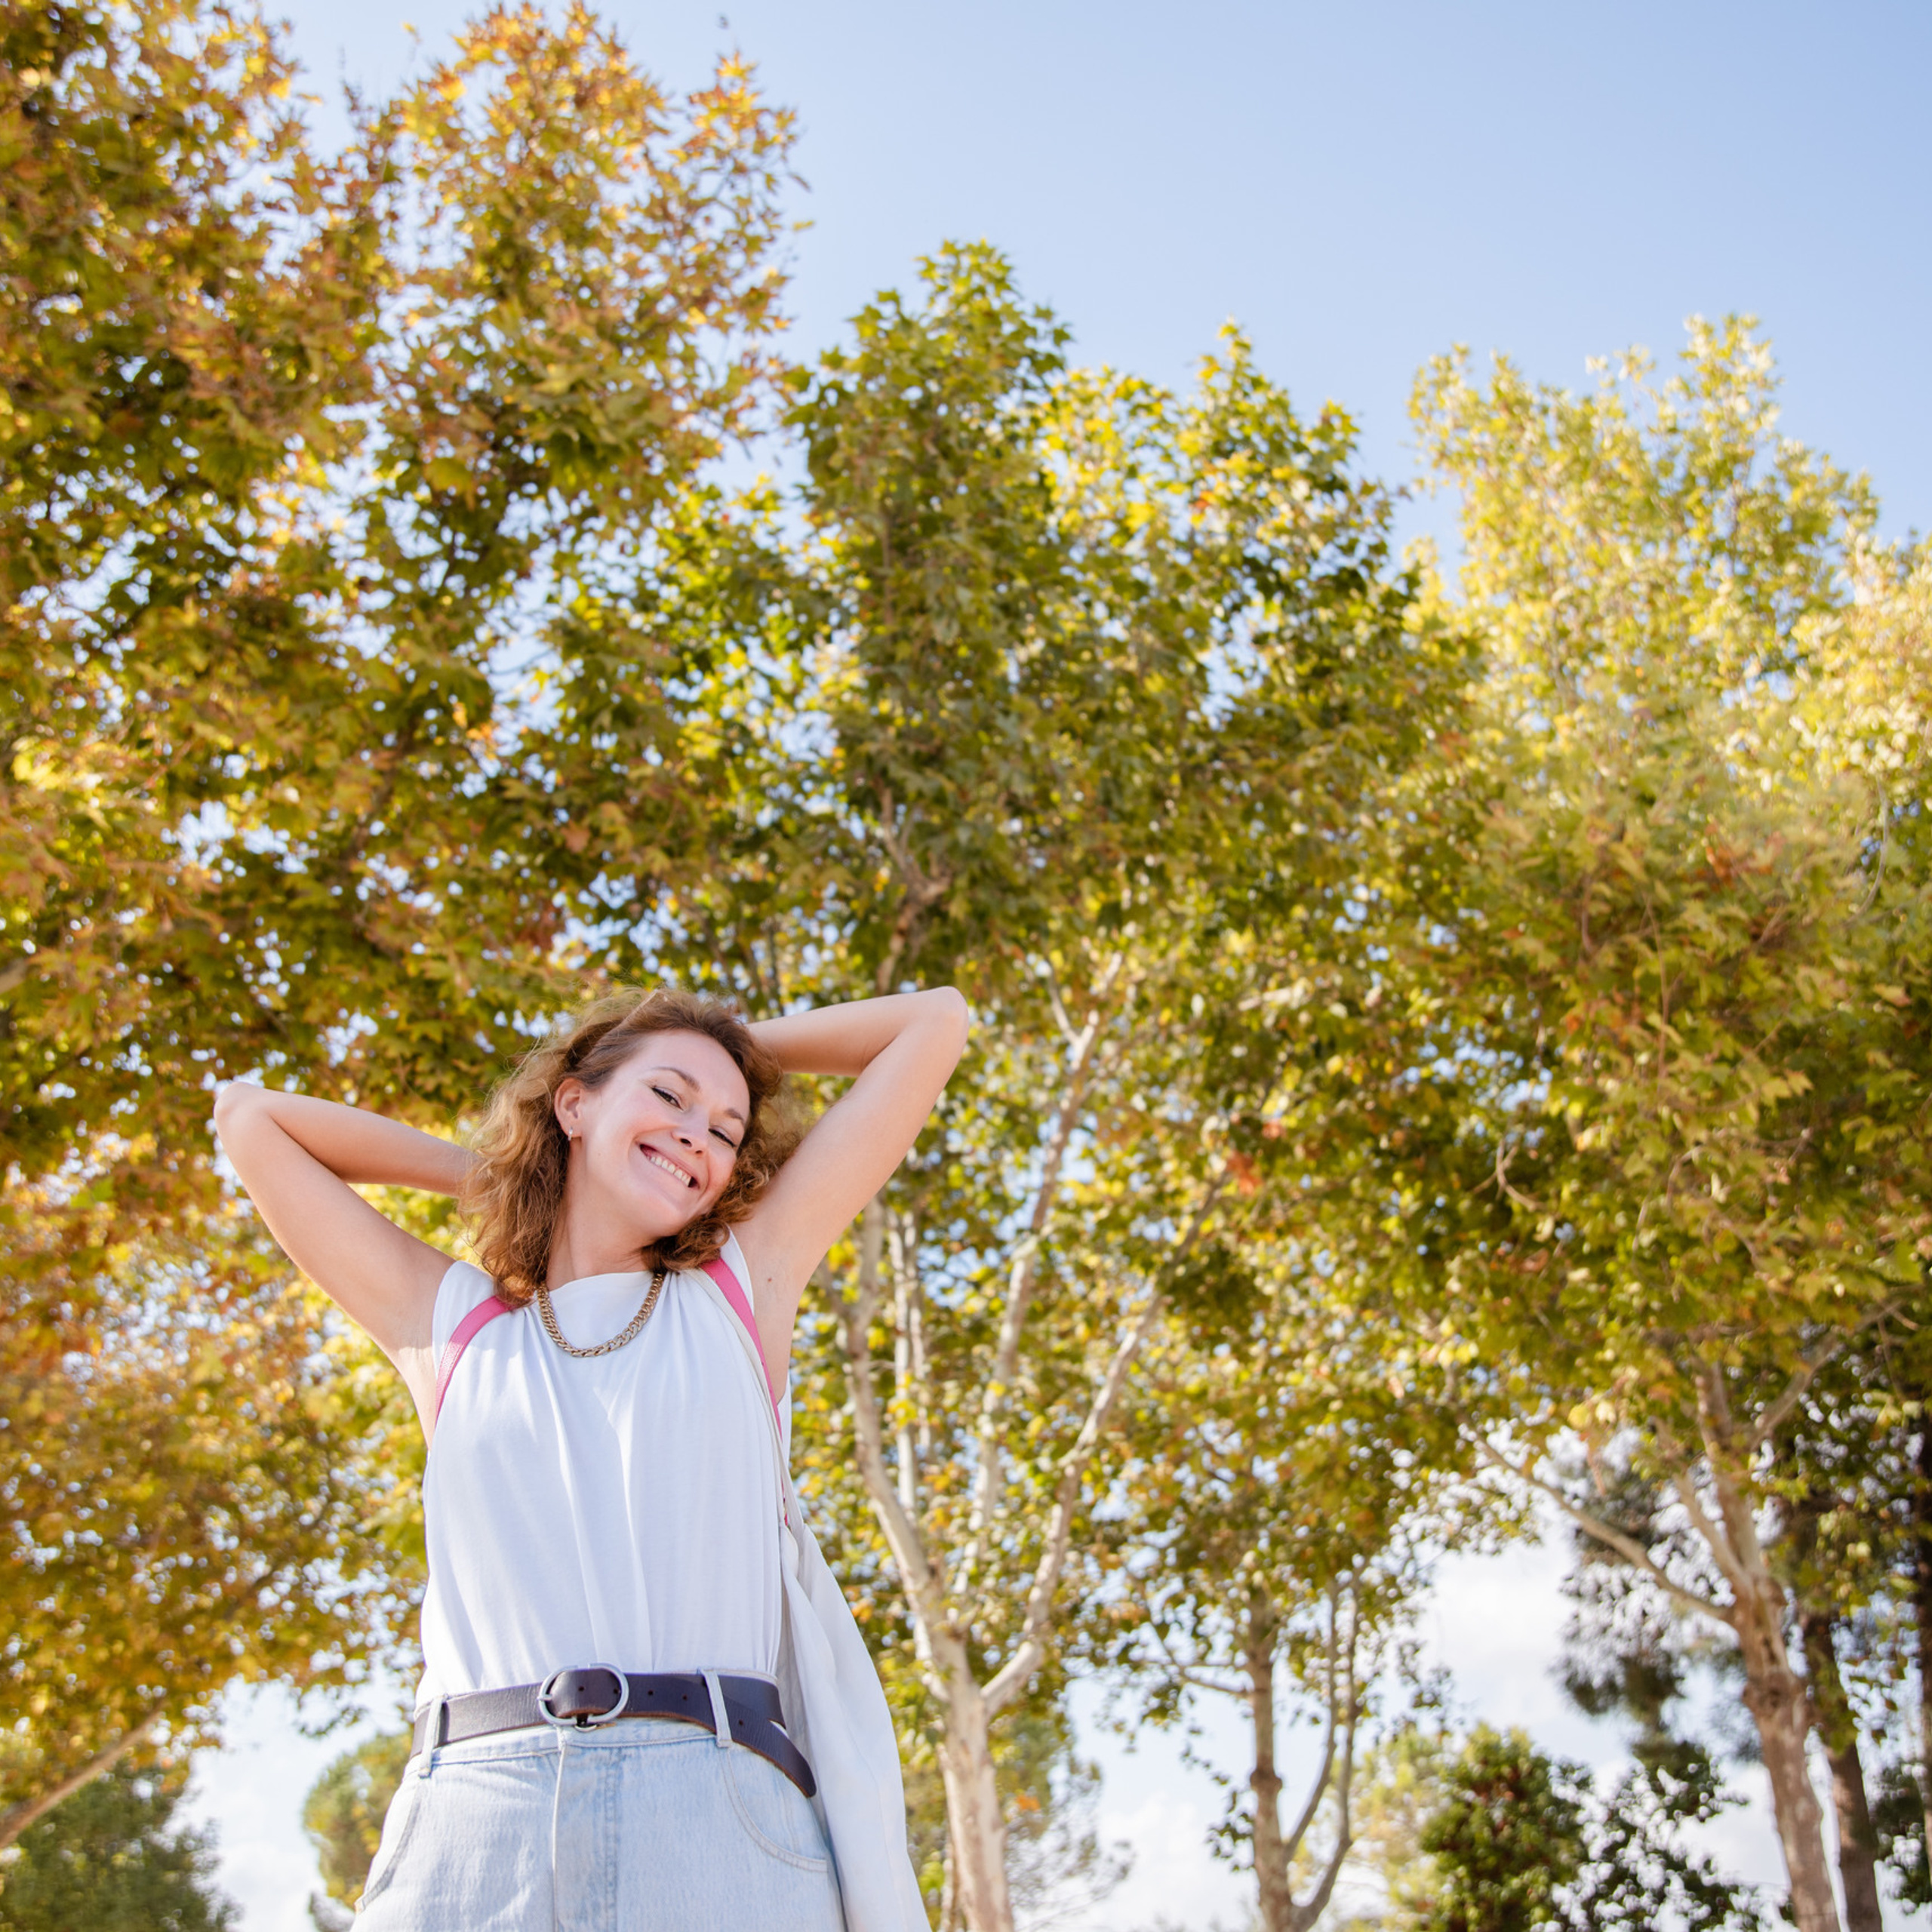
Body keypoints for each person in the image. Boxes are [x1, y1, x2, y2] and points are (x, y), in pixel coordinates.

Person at [214, 985, 970, 1932]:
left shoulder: (741, 1287)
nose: (698, 1132)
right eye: (669, 1094)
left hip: (714, 1813)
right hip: (473, 1815)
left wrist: (720, 1049)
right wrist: (503, 1173)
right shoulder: (452, 1325)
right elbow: (251, 1117)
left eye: (725, 1129)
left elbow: (933, 1022)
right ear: (572, 1102)